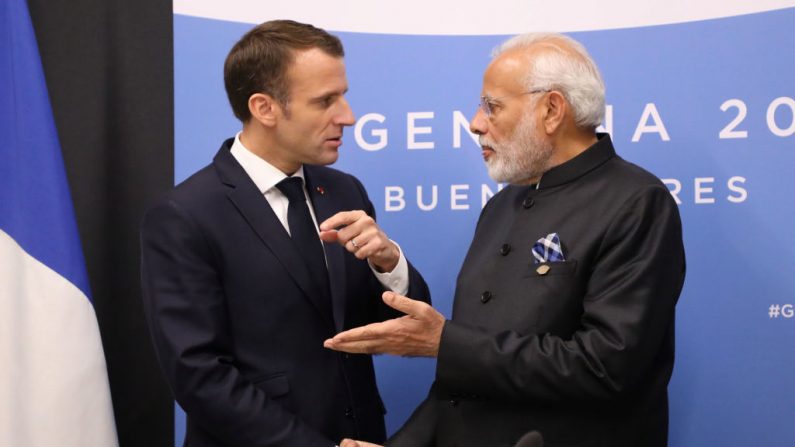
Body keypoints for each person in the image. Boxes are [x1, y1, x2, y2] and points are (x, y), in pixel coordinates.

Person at [326, 32, 685, 447]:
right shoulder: (501, 207)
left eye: (492, 106)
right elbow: (460, 390)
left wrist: (446, 343)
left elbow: (606, 367)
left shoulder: (636, 202)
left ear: (551, 110)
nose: (476, 123)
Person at [140, 20, 430, 447]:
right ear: (265, 108)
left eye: (343, 96)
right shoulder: (183, 216)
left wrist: (389, 263)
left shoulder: (345, 191)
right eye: (326, 101)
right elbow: (200, 376)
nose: (347, 116)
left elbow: (404, 326)